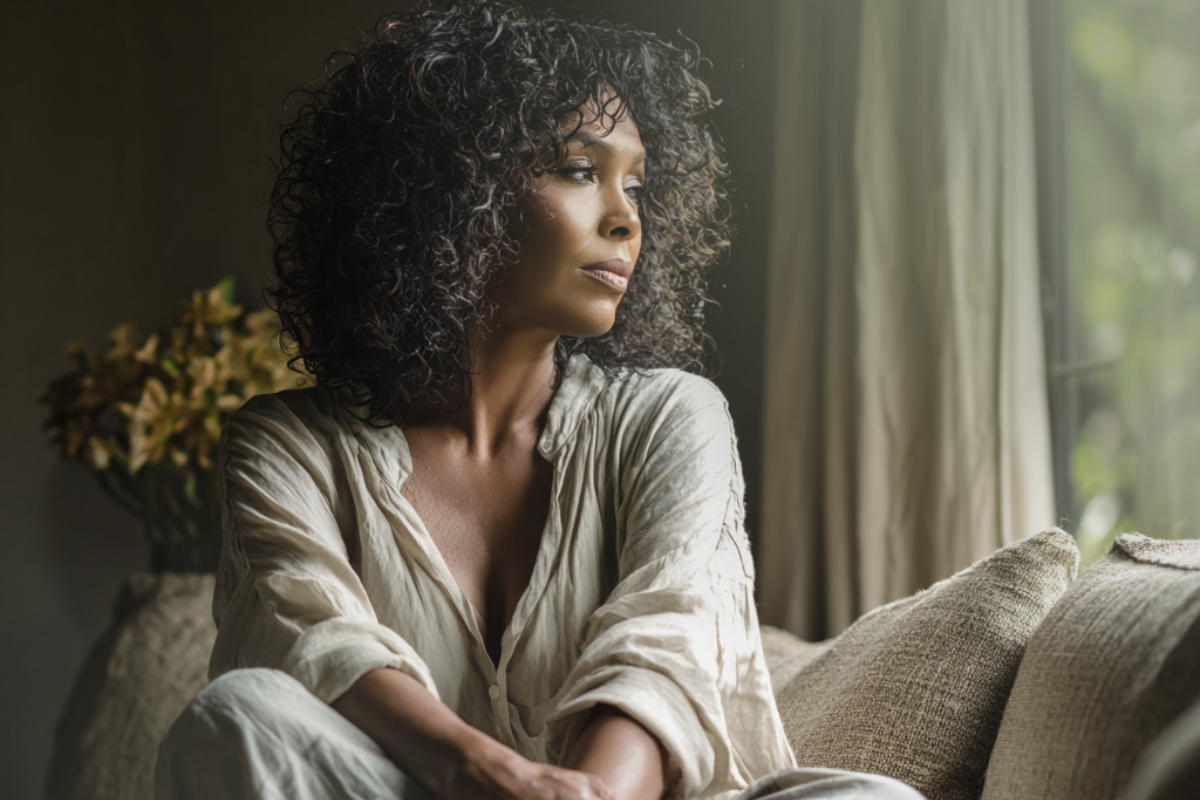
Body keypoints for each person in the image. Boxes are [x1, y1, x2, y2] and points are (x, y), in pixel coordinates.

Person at [156, 3, 925, 799]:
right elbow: (313, 643)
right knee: (235, 717)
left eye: (638, 183)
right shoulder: (287, 447)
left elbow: (665, 647)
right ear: (453, 189)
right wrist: (487, 772)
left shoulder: (671, 417)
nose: (627, 218)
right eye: (581, 170)